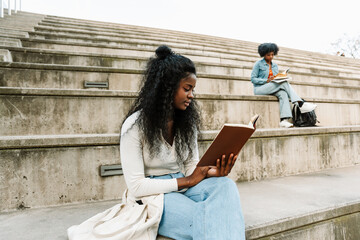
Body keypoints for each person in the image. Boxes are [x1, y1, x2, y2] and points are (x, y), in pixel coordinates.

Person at [120, 45, 246, 239]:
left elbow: (190, 167)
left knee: (225, 186)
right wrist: (186, 181)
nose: (191, 95)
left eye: (193, 89)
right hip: (152, 195)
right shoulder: (134, 126)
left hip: (184, 185)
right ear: (167, 88)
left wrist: (212, 172)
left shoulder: (187, 123)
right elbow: (136, 187)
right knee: (204, 217)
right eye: (187, 89)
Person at [251, 43, 317, 128]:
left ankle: (284, 120)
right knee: (284, 83)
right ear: (263, 54)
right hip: (260, 89)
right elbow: (253, 79)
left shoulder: (275, 65)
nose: (271, 57)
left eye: (272, 54)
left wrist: (279, 77)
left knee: (283, 93)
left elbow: (275, 79)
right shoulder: (258, 64)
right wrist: (266, 80)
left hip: (271, 87)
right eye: (268, 55)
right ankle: (300, 103)